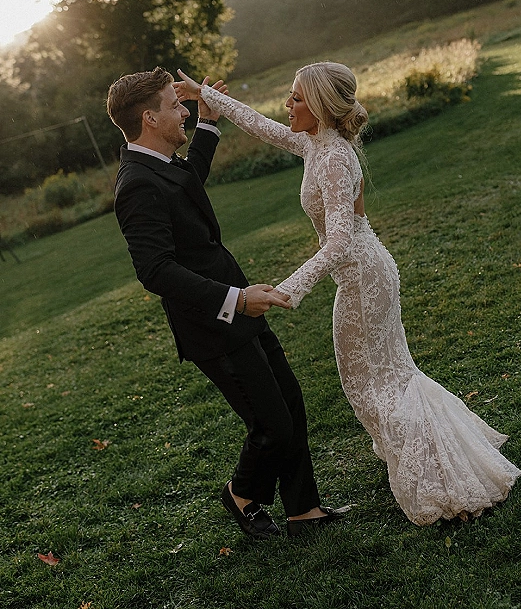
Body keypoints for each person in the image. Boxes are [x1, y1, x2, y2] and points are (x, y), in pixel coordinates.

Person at [174, 61, 521, 526]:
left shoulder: (336, 158)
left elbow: (339, 243)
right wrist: (206, 96)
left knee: (373, 381)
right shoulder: (313, 144)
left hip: (362, 277)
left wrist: (288, 289)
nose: (288, 104)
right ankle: (422, 455)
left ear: (318, 106)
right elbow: (258, 124)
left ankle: (435, 472)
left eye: (296, 97)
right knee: (384, 375)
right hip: (362, 273)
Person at [106, 67, 347, 539]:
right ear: (150, 118)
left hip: (239, 304)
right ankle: (241, 494)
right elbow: (155, 270)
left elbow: (188, 182)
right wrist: (235, 299)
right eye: (176, 106)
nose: (184, 111)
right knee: (271, 425)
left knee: (290, 405)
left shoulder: (160, 164)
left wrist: (209, 123)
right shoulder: (135, 184)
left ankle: (304, 510)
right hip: (213, 323)